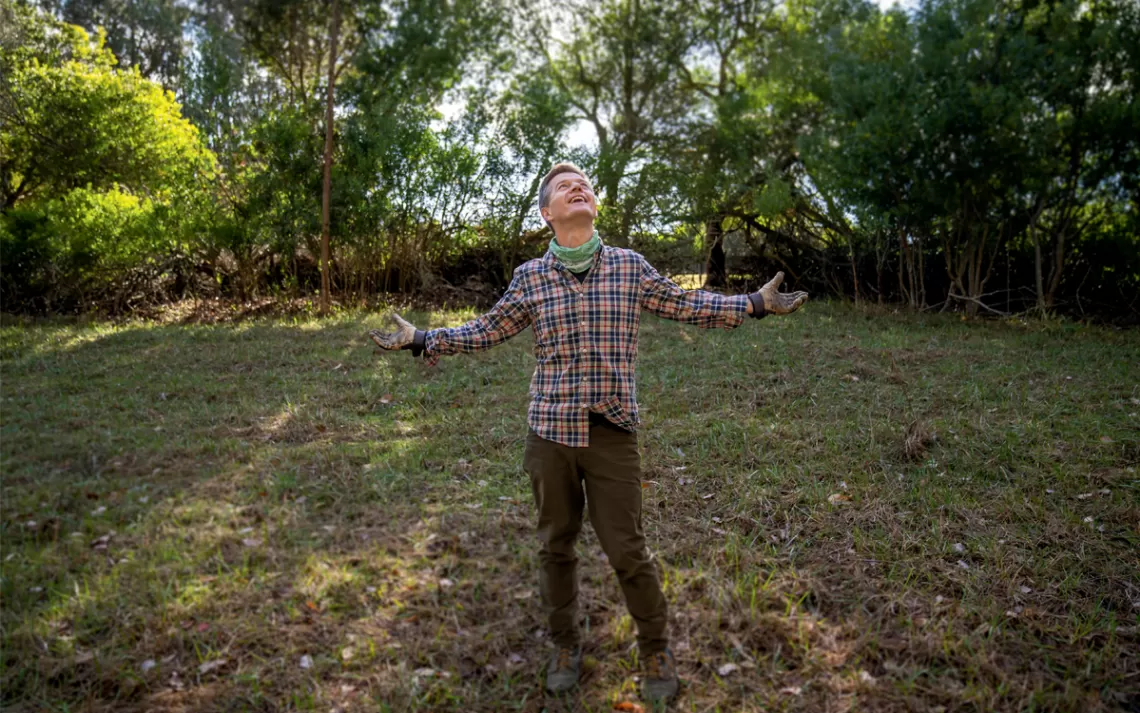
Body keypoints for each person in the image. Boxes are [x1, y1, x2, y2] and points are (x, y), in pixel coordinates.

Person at [368, 162, 808, 703]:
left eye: (585, 185)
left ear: (594, 206)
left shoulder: (628, 266)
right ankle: (564, 644)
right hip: (549, 433)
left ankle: (655, 649)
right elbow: (487, 329)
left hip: (612, 433)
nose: (578, 188)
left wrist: (755, 304)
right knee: (556, 546)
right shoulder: (531, 277)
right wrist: (423, 340)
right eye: (563, 187)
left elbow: (687, 302)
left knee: (628, 550)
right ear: (547, 212)